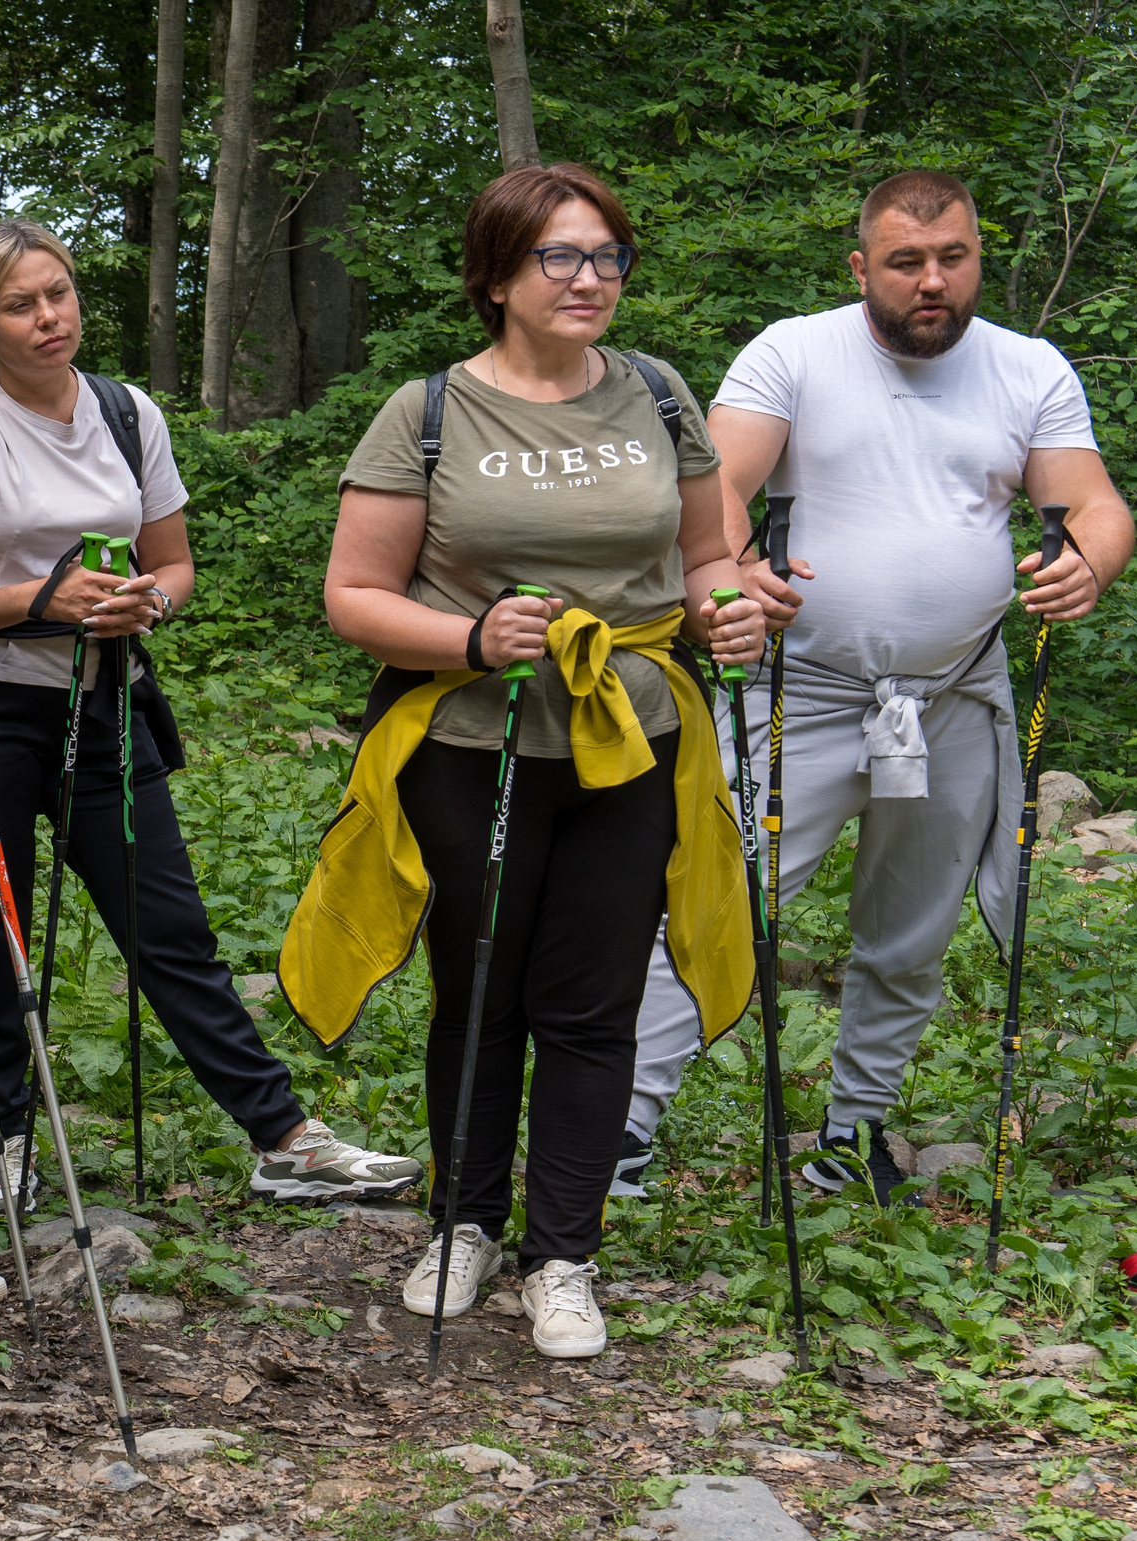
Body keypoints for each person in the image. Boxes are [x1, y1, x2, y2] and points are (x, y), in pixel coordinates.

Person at [282, 163, 761, 1360]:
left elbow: (709, 559)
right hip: (467, 740)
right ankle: (463, 1220)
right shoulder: (428, 411)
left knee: (593, 1002)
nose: (590, 278)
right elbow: (352, 594)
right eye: (561, 257)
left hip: (633, 735)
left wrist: (733, 609)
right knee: (481, 984)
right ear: (497, 275)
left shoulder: (656, 395)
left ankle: (565, 1253)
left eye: (606, 256)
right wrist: (465, 637)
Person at [618, 169, 1134, 1208]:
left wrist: (1088, 561)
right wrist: (730, 572)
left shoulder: (1027, 369)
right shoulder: (794, 351)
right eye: (905, 262)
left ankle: (851, 1135)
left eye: (953, 259)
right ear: (861, 266)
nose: (931, 281)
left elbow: (1091, 504)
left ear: (979, 258)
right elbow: (715, 484)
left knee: (909, 930)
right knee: (714, 906)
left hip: (949, 699)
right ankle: (618, 1130)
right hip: (795, 691)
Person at [0, 219, 419, 1215]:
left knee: (170, 928)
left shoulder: (124, 411)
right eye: (20, 305)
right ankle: (5, 1135)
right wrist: (39, 600)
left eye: (58, 294)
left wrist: (142, 602)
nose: (48, 318)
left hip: (106, 700)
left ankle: (280, 1137)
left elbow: (174, 561)